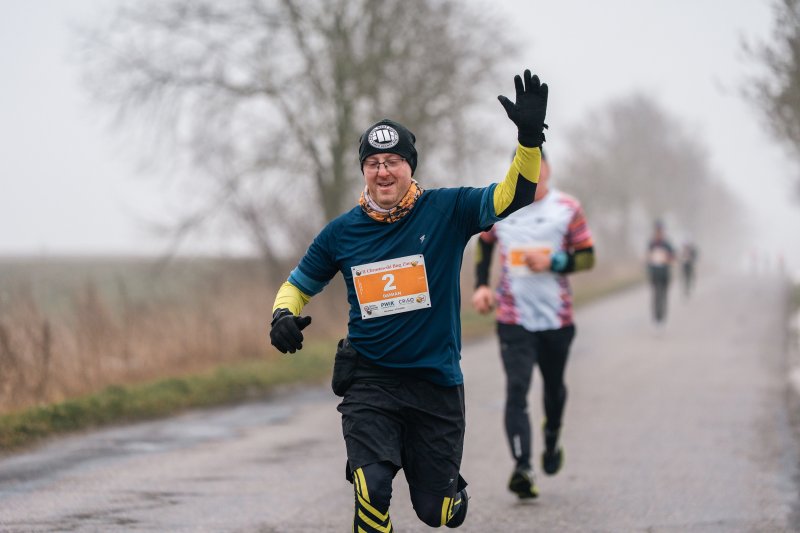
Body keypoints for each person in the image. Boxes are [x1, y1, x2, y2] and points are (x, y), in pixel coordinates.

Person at [268, 69, 549, 531]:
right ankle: (374, 484)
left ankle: (448, 490)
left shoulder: (448, 210)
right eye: (373, 162)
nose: (383, 171)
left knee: (435, 513)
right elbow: (298, 284)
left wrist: (529, 142)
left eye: (394, 161)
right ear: (363, 170)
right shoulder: (341, 233)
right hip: (370, 380)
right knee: (373, 485)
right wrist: (282, 313)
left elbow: (513, 195)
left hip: (434, 384)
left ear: (410, 166)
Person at [471, 149, 595, 499]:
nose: (534, 174)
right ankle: (522, 467)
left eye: (540, 167)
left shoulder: (567, 207)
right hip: (513, 318)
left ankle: (552, 436)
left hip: (557, 319)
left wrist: (554, 262)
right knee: (517, 389)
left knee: (554, 389)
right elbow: (484, 244)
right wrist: (481, 285)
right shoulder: (501, 206)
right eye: (526, 168)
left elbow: (587, 257)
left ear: (549, 169)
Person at [646, 220, 675, 326]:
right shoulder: (652, 244)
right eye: (657, 231)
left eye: (660, 230)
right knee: (656, 296)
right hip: (654, 274)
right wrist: (649, 260)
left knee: (663, 296)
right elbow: (647, 257)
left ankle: (662, 317)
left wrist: (666, 258)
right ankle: (656, 318)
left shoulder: (667, 244)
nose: (658, 233)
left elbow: (673, 257)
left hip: (664, 274)